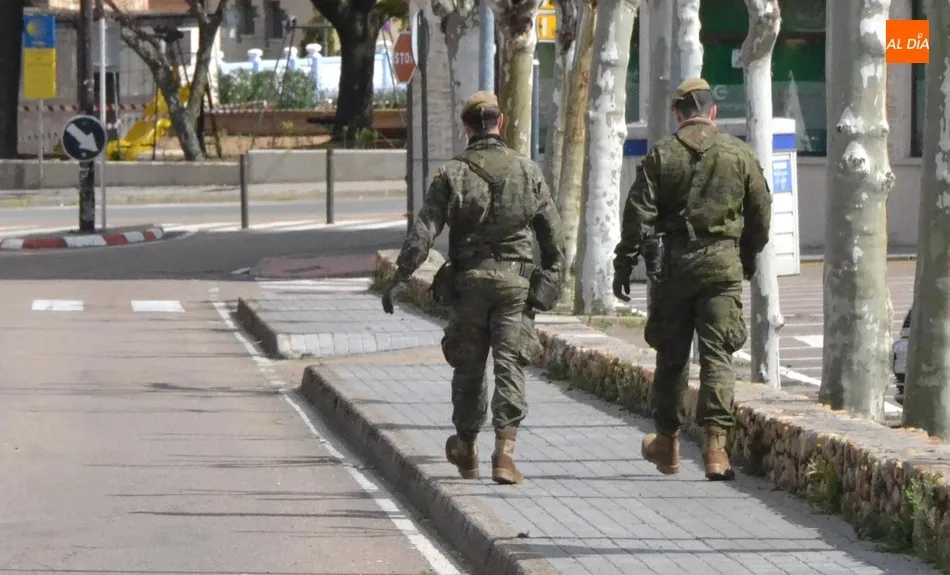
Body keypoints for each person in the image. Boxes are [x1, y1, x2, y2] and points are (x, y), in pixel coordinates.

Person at [381, 91, 565, 485]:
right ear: (500, 123)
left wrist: (397, 278)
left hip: (469, 283)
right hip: (515, 284)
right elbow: (554, 239)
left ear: (467, 127)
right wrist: (550, 282)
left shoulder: (451, 174)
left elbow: (423, 233)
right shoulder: (528, 171)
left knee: (469, 367)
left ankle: (466, 449)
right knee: (510, 364)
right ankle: (505, 454)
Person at [612, 78, 772, 481]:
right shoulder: (739, 154)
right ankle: (716, 450)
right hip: (722, 269)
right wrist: (745, 258)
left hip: (673, 270)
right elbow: (761, 215)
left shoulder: (662, 155)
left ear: (678, 114)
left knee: (672, 358)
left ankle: (667, 444)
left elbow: (637, 216)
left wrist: (623, 262)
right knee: (718, 356)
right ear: (712, 112)